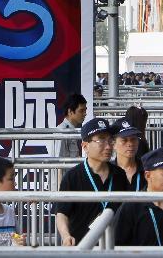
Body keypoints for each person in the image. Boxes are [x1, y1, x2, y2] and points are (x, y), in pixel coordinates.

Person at [55, 118, 129, 246]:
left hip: (113, 247)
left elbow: (127, 210)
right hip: (83, 247)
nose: (108, 146)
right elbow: (62, 213)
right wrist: (66, 236)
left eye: (110, 140)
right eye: (101, 139)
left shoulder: (120, 175)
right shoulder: (72, 176)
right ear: (85, 146)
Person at [112, 118, 145, 191]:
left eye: (133, 139)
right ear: (113, 144)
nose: (130, 144)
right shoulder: (108, 171)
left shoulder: (147, 170)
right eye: (124, 140)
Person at [57, 93, 87, 158]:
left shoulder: (71, 129)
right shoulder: (63, 131)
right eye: (81, 111)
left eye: (85, 110)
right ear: (70, 111)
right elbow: (58, 161)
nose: (85, 114)